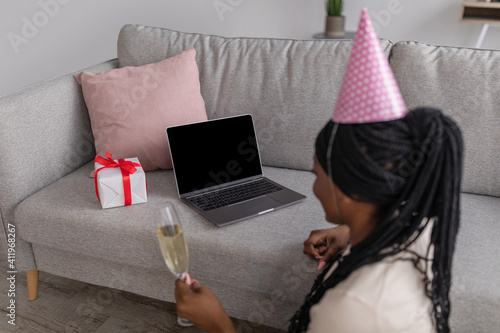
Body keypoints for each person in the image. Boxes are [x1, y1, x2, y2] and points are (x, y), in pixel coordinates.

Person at [175, 9, 463, 333]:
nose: (313, 188)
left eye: (316, 175)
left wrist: (218, 324)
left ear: (348, 189)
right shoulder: (421, 226)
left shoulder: (352, 311)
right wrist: (349, 231)